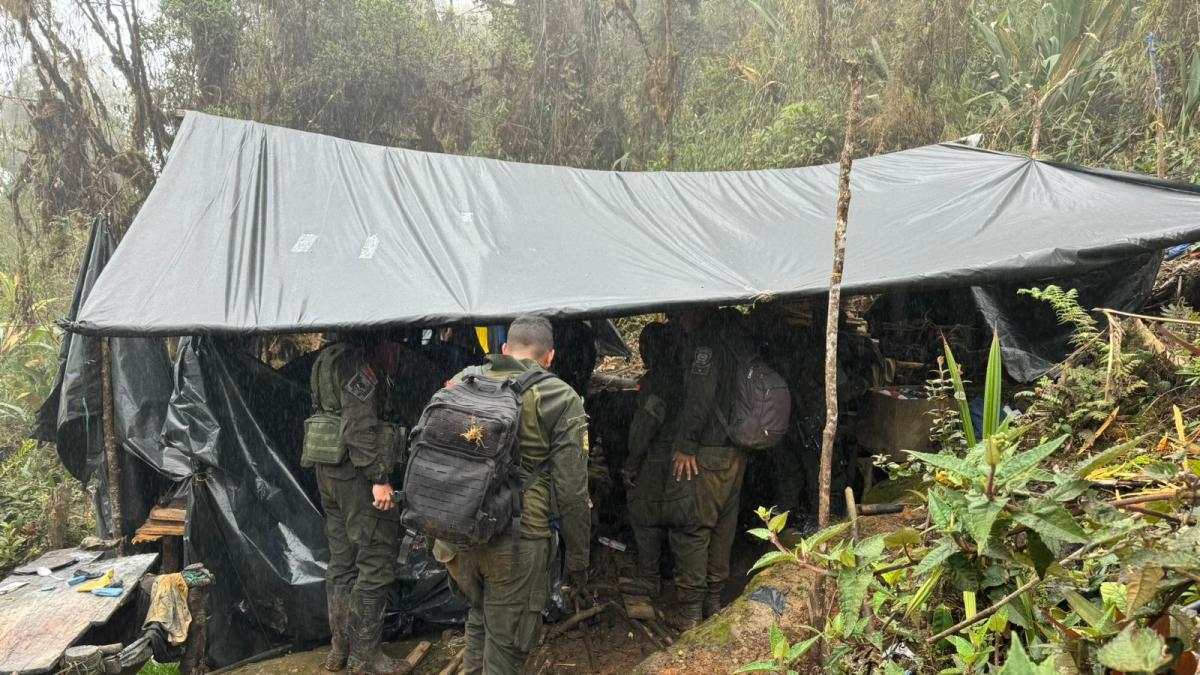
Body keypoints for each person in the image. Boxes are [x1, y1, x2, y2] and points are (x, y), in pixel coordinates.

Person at [432, 316, 591, 675]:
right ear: (549, 356)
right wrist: (578, 558)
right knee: (507, 653)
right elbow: (572, 492)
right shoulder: (560, 397)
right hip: (517, 541)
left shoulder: (462, 381)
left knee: (479, 616)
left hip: (457, 534)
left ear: (504, 349)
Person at [306, 333, 408, 675]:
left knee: (342, 562)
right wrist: (379, 478)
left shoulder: (326, 358)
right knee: (376, 559)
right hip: (355, 474)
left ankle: (340, 652)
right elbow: (358, 428)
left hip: (327, 470)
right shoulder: (357, 366)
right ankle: (365, 658)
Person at [622, 322, 708, 628]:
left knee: (643, 513)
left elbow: (644, 428)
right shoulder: (686, 376)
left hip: (659, 456)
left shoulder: (658, 382)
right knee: (683, 517)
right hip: (687, 456)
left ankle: (650, 578)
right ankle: (677, 578)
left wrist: (631, 464)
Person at [670, 307, 749, 620]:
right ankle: (714, 603)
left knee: (693, 527)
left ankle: (691, 612)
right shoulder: (738, 341)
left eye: (680, 314)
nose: (679, 319)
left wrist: (687, 444)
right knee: (723, 526)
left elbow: (700, 398)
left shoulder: (706, 347)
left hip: (708, 451)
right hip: (737, 449)